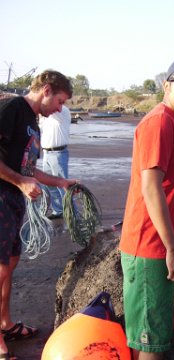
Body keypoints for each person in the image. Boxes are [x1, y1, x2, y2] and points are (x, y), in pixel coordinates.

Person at [119, 55, 174, 360]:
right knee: (151, 340)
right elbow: (150, 186)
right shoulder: (159, 122)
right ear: (166, 85)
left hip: (153, 246)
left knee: (146, 334)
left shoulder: (173, 123)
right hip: (149, 248)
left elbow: (166, 184)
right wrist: (173, 249)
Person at [0, 70, 78, 360]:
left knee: (10, 263)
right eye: (59, 101)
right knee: (0, 268)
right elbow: (21, 176)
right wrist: (20, 183)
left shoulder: (33, 121)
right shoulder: (12, 109)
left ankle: (5, 323)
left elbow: (28, 168)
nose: (60, 108)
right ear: (46, 90)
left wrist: (60, 182)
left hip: (12, 199)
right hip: (1, 196)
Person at [39, 105, 72, 219]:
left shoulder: (62, 111)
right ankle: (58, 210)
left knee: (62, 184)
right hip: (47, 153)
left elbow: (46, 106)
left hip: (58, 153)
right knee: (49, 184)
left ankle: (71, 212)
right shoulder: (45, 117)